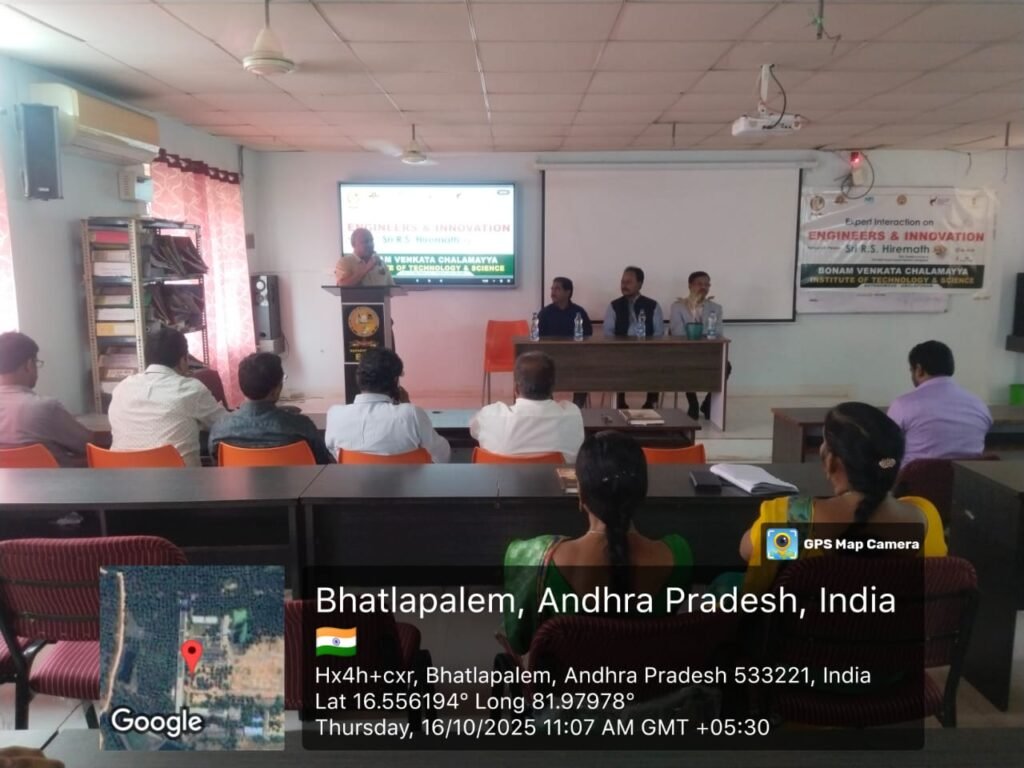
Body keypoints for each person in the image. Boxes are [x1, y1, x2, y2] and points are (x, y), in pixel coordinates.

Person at [502, 432, 693, 654]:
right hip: (649, 676)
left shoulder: (534, 559)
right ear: (642, 493)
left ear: (581, 494)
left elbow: (519, 641)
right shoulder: (679, 555)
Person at [738, 402, 947, 595]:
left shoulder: (792, 521)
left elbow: (749, 552)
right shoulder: (924, 517)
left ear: (831, 461)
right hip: (897, 624)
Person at [108, 327, 228, 467]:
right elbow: (225, 425)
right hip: (178, 479)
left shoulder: (121, 388)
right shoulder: (190, 388)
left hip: (122, 478)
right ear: (183, 360)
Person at [325, 348, 450, 463]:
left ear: (359, 379)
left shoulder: (334, 415)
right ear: (395, 381)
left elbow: (336, 455)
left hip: (353, 481)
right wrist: (406, 406)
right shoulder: (411, 414)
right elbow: (443, 457)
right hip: (409, 481)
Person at [209, 352, 333, 464]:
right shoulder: (302, 427)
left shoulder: (220, 429)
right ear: (276, 390)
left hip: (239, 483)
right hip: (296, 483)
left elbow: (216, 463)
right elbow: (322, 464)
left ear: (242, 387)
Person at [0, 331, 101, 466]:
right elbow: (87, 443)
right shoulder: (45, 408)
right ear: (29, 365)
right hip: (59, 478)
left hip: (7, 479)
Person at [887, 340, 992, 466]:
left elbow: (886, 446)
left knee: (876, 463)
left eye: (911, 370)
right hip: (967, 477)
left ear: (919, 369)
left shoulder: (903, 405)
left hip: (916, 477)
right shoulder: (979, 405)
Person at [470, 352, 585, 463]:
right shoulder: (572, 416)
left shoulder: (491, 416)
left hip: (500, 477)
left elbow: (473, 430)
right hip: (553, 477)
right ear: (552, 387)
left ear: (516, 388)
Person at [669, 271, 730, 421]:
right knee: (685, 365)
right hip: (684, 351)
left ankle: (707, 404)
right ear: (690, 286)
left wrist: (695, 331)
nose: (704, 287)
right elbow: (678, 332)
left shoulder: (716, 308)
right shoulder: (678, 307)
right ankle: (693, 403)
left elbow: (718, 332)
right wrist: (702, 332)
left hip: (708, 352)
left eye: (707, 284)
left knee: (726, 366)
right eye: (699, 284)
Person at [602, 266, 664, 410]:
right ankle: (619, 401)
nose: (624, 285)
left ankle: (650, 403)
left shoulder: (653, 305)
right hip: (621, 351)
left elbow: (658, 333)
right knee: (616, 361)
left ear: (640, 284)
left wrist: (648, 348)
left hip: (647, 351)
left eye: (629, 282)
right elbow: (608, 333)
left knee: (658, 361)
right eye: (622, 282)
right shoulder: (614, 306)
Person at [537, 276, 592, 408]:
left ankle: (577, 406)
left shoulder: (579, 312)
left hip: (575, 357)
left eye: (557, 289)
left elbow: (588, 335)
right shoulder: (545, 313)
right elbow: (538, 338)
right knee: (540, 369)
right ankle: (549, 406)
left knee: (584, 368)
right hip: (551, 356)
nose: (552, 292)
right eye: (552, 289)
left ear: (568, 292)